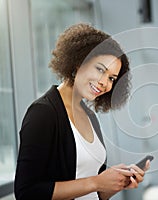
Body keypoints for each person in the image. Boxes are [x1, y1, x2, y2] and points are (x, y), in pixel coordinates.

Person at [14, 23, 150, 200]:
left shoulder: (90, 115)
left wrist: (116, 183)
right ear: (79, 62)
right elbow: (26, 192)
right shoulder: (43, 113)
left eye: (111, 78)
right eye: (100, 69)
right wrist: (96, 182)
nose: (104, 82)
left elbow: (96, 194)